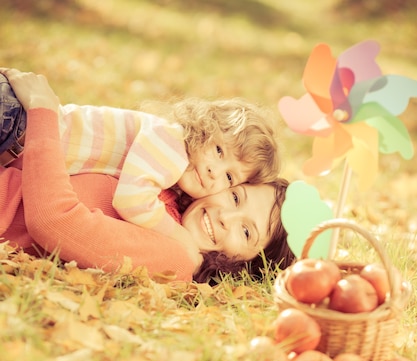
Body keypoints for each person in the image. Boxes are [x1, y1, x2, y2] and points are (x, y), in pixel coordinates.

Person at [1, 68, 294, 283]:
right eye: (234, 196)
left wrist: (42, 110)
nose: (224, 216)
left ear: (251, 264)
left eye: (246, 232)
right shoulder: (170, 186)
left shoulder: (178, 258)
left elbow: (53, 221)